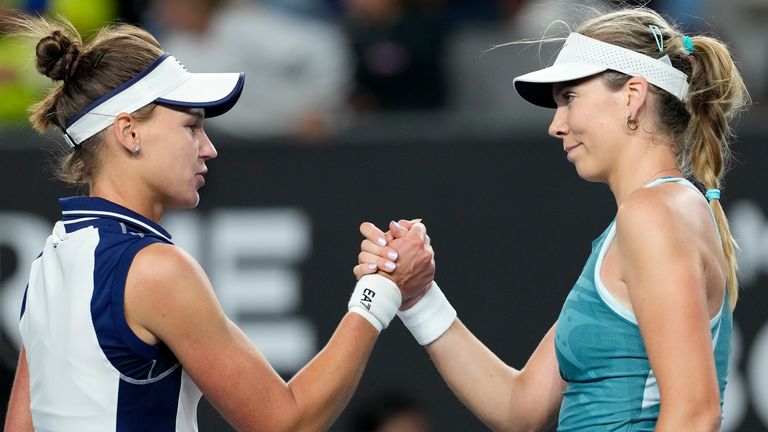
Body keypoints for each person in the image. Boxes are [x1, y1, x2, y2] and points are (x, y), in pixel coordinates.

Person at [3, 15, 434, 431]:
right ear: (129, 133)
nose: (208, 148)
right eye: (191, 127)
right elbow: (287, 422)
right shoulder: (157, 270)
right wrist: (380, 290)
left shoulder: (47, 261)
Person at [355, 7, 747, 430]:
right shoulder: (651, 216)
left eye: (569, 98)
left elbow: (694, 413)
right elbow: (518, 407)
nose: (556, 125)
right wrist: (418, 296)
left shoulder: (652, 215)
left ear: (633, 96)